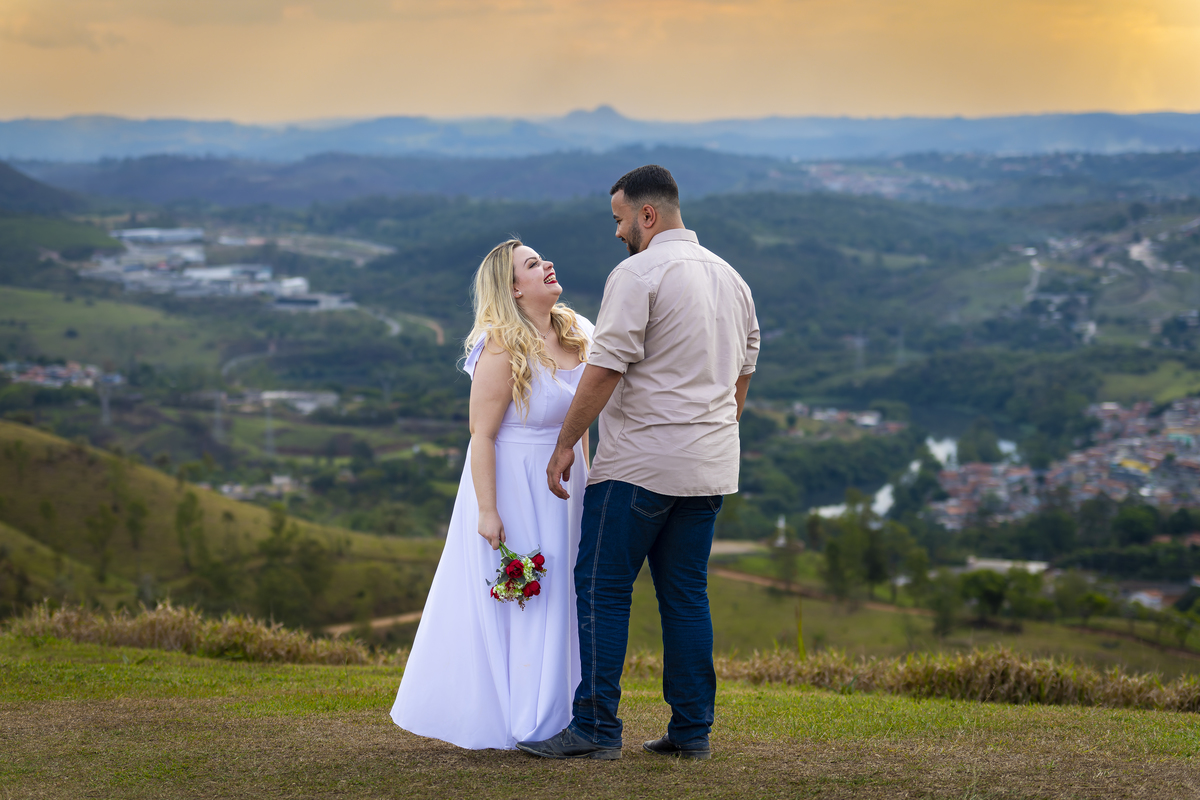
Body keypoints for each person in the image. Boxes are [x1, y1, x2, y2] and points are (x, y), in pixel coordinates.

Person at [518, 165, 760, 761]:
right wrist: (715, 432)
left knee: (601, 588)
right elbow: (743, 375)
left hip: (639, 466)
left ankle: (596, 728)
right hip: (708, 467)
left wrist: (564, 444)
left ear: (647, 215)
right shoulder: (733, 279)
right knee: (685, 596)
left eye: (620, 218)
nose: (618, 231)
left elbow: (604, 370)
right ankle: (691, 732)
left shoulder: (637, 273)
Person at [390, 239, 593, 750]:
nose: (546, 264)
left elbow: (585, 418)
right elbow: (481, 434)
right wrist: (487, 510)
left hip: (571, 482)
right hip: (515, 483)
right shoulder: (501, 345)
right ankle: (526, 718)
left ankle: (567, 715)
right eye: (531, 264)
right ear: (513, 288)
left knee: (569, 595)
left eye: (541, 258)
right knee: (528, 596)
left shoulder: (578, 330)